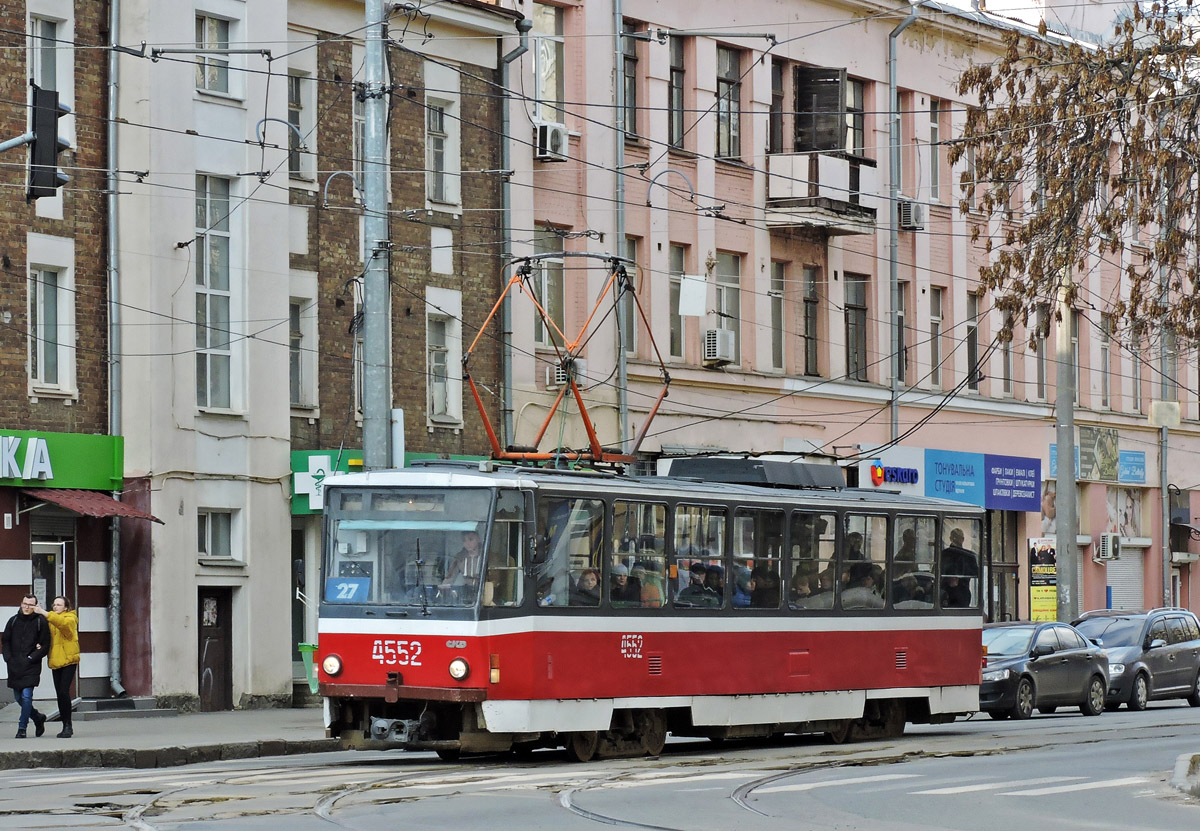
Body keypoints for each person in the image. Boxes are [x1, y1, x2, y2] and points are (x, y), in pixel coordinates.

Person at [2, 594, 51, 739]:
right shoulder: (13, 621)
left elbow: (45, 645)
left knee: (26, 696)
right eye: (25, 604)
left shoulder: (40, 622)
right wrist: (8, 658)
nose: (27, 607)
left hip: (31, 666)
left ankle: (22, 728)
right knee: (18, 698)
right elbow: (5, 641)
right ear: (21, 603)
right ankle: (37, 717)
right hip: (14, 665)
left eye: (30, 605)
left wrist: (31, 658)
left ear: (36, 606)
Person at [31, 596, 79, 738]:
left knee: (64, 691)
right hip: (56, 660)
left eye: (59, 604)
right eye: (54, 604)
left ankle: (68, 726)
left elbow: (62, 624)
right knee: (59, 694)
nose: (55, 607)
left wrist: (44, 612)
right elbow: (46, 636)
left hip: (69, 660)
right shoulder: (51, 621)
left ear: (66, 607)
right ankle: (64, 724)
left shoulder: (70, 618)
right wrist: (40, 643)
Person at [440, 529, 485, 596]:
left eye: (470, 539)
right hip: (466, 591)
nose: (467, 543)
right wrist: (444, 586)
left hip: (484, 590)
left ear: (478, 539)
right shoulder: (460, 557)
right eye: (464, 540)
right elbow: (451, 576)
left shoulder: (486, 556)